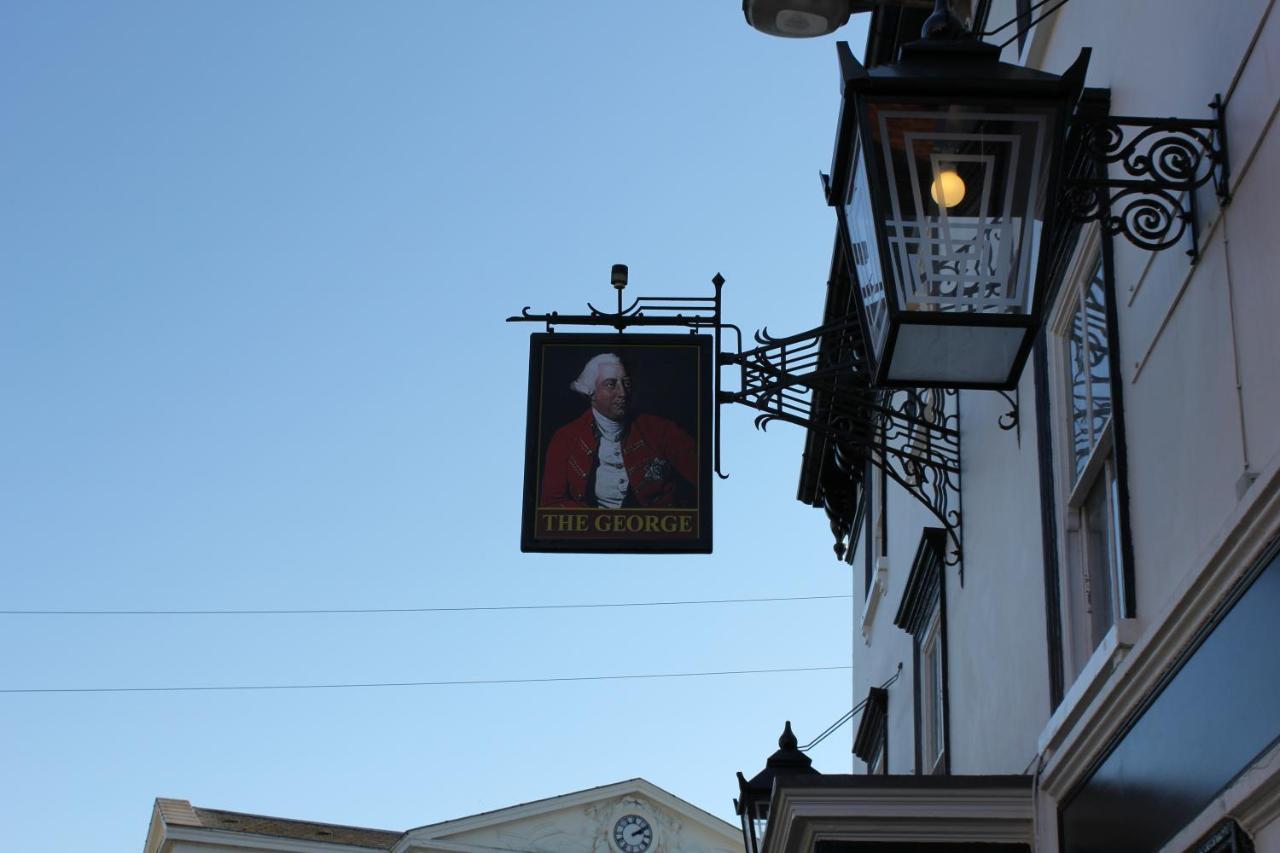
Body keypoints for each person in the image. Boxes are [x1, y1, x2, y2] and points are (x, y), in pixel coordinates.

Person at [540, 352, 697, 509]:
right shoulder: (566, 437)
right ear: (591, 392)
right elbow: (552, 503)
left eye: (626, 384)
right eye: (611, 384)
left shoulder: (662, 430)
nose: (622, 393)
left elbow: (703, 479)